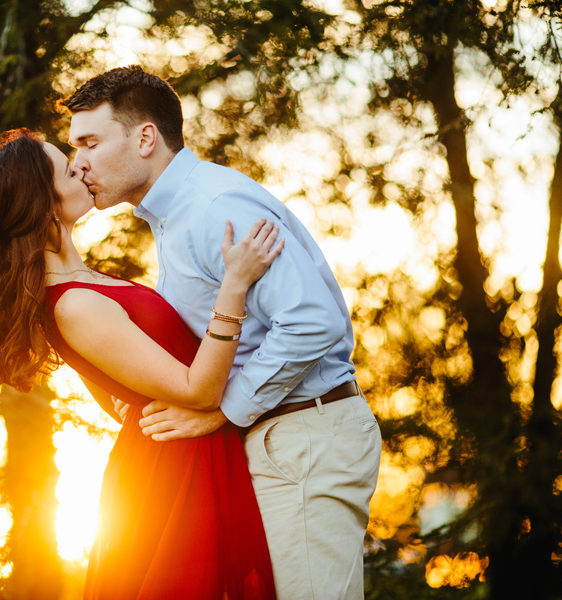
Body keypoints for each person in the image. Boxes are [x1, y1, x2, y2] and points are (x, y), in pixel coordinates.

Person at [59, 66, 382, 600]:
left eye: (90, 142)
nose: (80, 164)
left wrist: (219, 409)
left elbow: (312, 320)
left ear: (145, 138)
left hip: (303, 437)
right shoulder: (174, 217)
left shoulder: (214, 207)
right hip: (272, 441)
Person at [0, 128, 282, 599]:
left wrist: (139, 405)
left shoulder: (87, 282)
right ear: (42, 202)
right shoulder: (73, 304)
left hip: (181, 450)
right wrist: (234, 285)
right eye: (70, 169)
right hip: (174, 476)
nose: (85, 169)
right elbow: (198, 389)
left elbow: (118, 390)